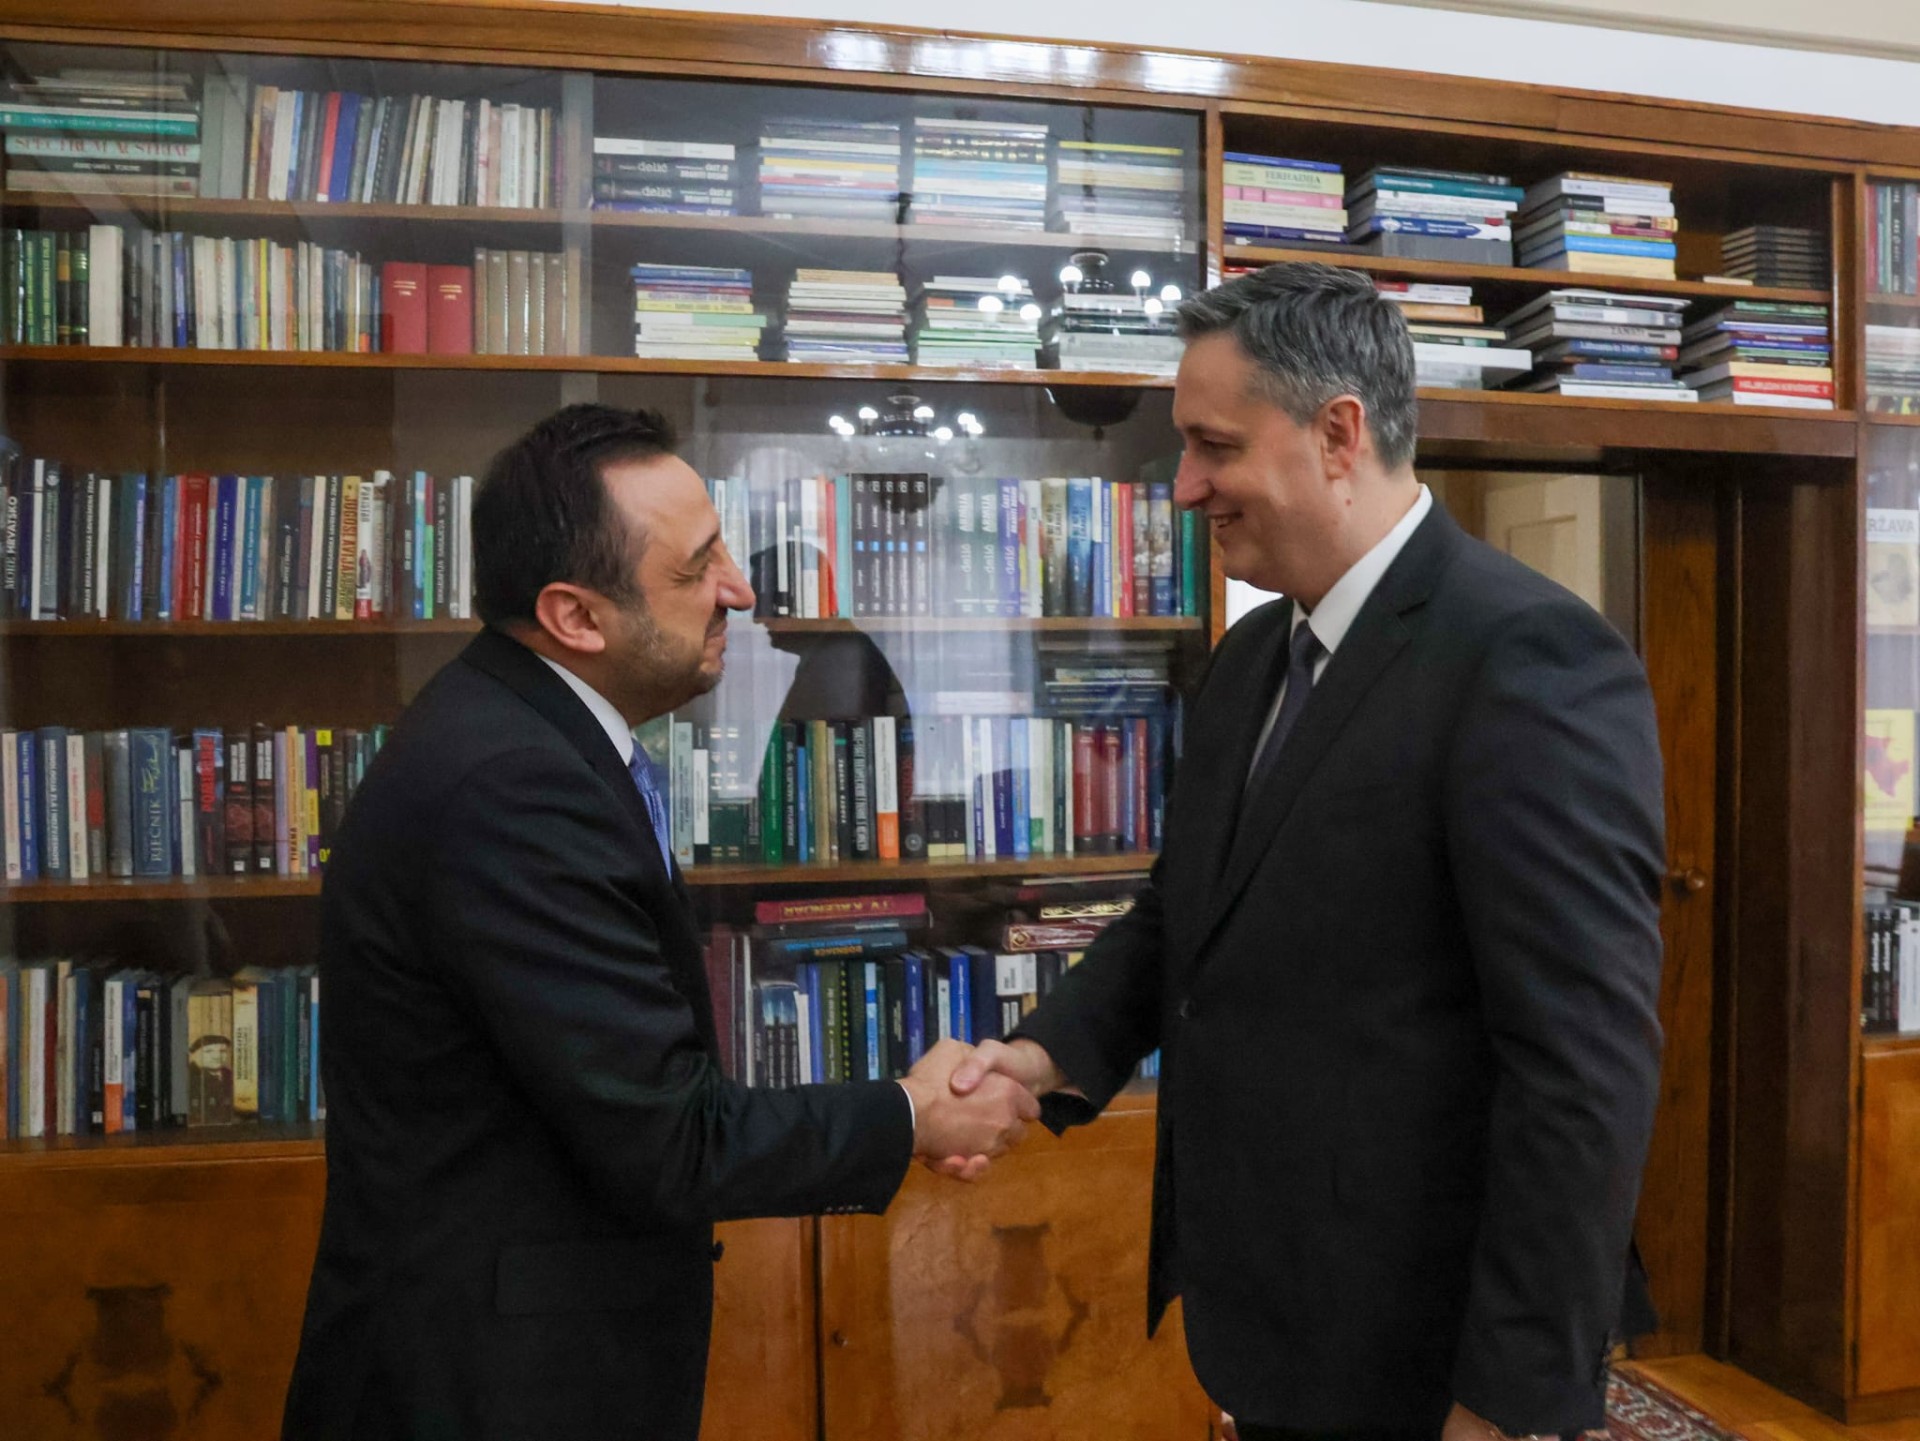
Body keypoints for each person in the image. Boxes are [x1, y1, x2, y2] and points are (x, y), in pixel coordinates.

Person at [950, 262, 1667, 1441]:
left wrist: (1506, 1401)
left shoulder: (1527, 656)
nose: (1184, 486)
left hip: (1429, 1346)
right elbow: (1184, 917)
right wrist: (1038, 1061)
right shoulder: (1250, 661)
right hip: (1275, 1314)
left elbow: (1582, 1067)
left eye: (1213, 446)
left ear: (1338, 434)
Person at [281, 404, 1036, 1441]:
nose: (740, 588)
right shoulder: (513, 785)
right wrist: (910, 1113)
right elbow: (670, 1138)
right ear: (576, 617)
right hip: (491, 1385)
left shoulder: (524, 734)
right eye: (696, 568)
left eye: (723, 547)